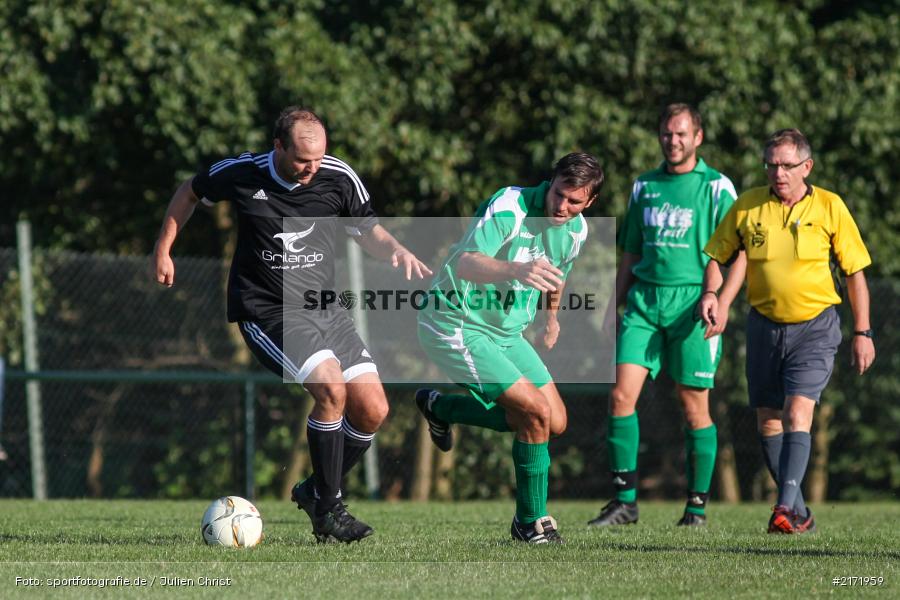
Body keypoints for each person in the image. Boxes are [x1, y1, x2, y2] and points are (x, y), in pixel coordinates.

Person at [152, 106, 431, 543]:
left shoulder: (338, 176)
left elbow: (368, 229)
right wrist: (163, 249)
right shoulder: (243, 172)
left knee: (374, 409)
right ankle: (329, 512)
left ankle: (315, 490)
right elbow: (189, 192)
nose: (311, 169)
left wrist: (395, 249)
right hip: (267, 310)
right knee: (331, 389)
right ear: (278, 146)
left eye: (318, 159)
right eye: (302, 160)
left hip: (324, 308)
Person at [415, 153, 605, 544]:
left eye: (574, 201)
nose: (562, 206)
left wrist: (551, 319)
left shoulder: (576, 230)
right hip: (456, 322)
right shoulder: (510, 206)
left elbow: (558, 276)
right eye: (558, 194)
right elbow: (464, 262)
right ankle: (529, 522)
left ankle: (441, 407)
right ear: (549, 183)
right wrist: (517, 270)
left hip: (504, 333)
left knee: (554, 421)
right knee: (534, 412)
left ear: (590, 203)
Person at [701, 128, 874, 534]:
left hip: (816, 326)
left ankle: (781, 507)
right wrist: (713, 294)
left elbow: (855, 274)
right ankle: (800, 513)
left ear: (806, 167)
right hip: (763, 327)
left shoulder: (830, 207)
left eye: (787, 165)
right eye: (772, 164)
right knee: (769, 420)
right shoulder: (748, 207)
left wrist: (863, 333)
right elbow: (717, 256)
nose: (778, 173)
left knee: (798, 411)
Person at [588, 103, 746, 528]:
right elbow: (631, 252)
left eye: (681, 134)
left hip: (695, 304)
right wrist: (612, 304)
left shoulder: (716, 188)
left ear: (698, 137)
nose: (672, 141)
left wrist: (720, 299)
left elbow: (732, 252)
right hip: (644, 303)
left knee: (693, 405)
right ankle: (624, 503)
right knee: (620, 396)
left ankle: (695, 509)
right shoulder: (644, 186)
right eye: (666, 134)